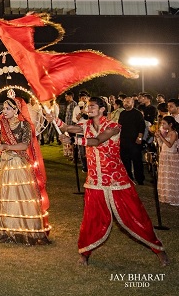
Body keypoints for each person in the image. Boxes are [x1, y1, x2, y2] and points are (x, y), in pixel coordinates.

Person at [47, 96, 169, 266]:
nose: (88, 109)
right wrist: (55, 121)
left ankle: (159, 250)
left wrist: (74, 141)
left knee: (135, 216)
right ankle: (85, 252)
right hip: (94, 181)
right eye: (88, 107)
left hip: (116, 179)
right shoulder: (86, 124)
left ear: (102, 109)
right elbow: (69, 127)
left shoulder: (113, 126)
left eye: (92, 107)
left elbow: (97, 141)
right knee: (91, 219)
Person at [0, 92, 51, 245]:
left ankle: (24, 229)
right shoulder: (1, 125)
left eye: (8, 108)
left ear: (16, 110)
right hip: (5, 165)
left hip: (19, 164)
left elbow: (24, 145)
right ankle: (7, 229)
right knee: (5, 196)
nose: (4, 111)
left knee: (20, 196)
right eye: (4, 108)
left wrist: (7, 146)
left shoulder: (24, 125)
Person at [118, 97, 145, 185]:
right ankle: (129, 178)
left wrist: (140, 137)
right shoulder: (122, 113)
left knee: (137, 160)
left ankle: (140, 179)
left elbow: (142, 126)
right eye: (124, 102)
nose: (126, 103)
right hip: (124, 140)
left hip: (135, 141)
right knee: (125, 160)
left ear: (132, 103)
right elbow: (119, 126)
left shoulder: (137, 114)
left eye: (128, 102)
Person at [155, 116, 179, 206]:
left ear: (170, 124)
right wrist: (158, 137)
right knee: (165, 176)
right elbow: (162, 145)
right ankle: (167, 197)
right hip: (164, 156)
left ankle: (173, 198)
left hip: (171, 157)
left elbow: (169, 145)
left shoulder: (174, 133)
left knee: (171, 177)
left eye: (164, 123)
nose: (163, 125)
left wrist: (161, 136)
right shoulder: (167, 133)